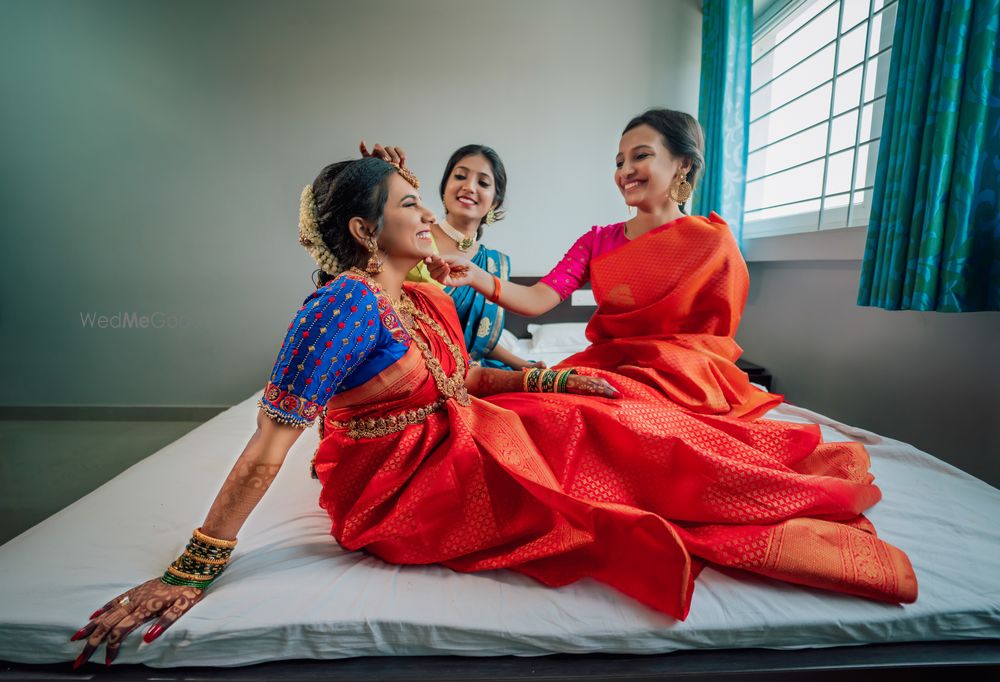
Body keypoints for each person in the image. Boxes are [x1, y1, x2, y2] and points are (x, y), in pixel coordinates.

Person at [71, 156, 916, 669]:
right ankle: (735, 512)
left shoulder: (419, 295)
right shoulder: (337, 309)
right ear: (367, 231)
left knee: (613, 416)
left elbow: (461, 376)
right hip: (399, 488)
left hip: (453, 434)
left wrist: (551, 385)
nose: (430, 214)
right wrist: (191, 568)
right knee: (601, 482)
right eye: (411, 203)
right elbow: (268, 442)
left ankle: (753, 477)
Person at [427, 109, 780, 418]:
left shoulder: (713, 242)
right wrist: (475, 276)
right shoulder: (596, 242)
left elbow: (714, 339)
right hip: (609, 367)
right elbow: (537, 299)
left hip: (684, 376)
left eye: (640, 156)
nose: (625, 170)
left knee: (634, 421)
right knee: (529, 413)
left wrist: (668, 368)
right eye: (619, 162)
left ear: (683, 163)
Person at [363, 141, 540, 370]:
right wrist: (375, 178)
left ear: (494, 202)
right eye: (459, 177)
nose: (469, 187)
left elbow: (478, 338)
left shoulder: (494, 264)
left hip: (476, 369)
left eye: (483, 182)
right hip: (415, 369)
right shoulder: (415, 238)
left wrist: (525, 365)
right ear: (445, 187)